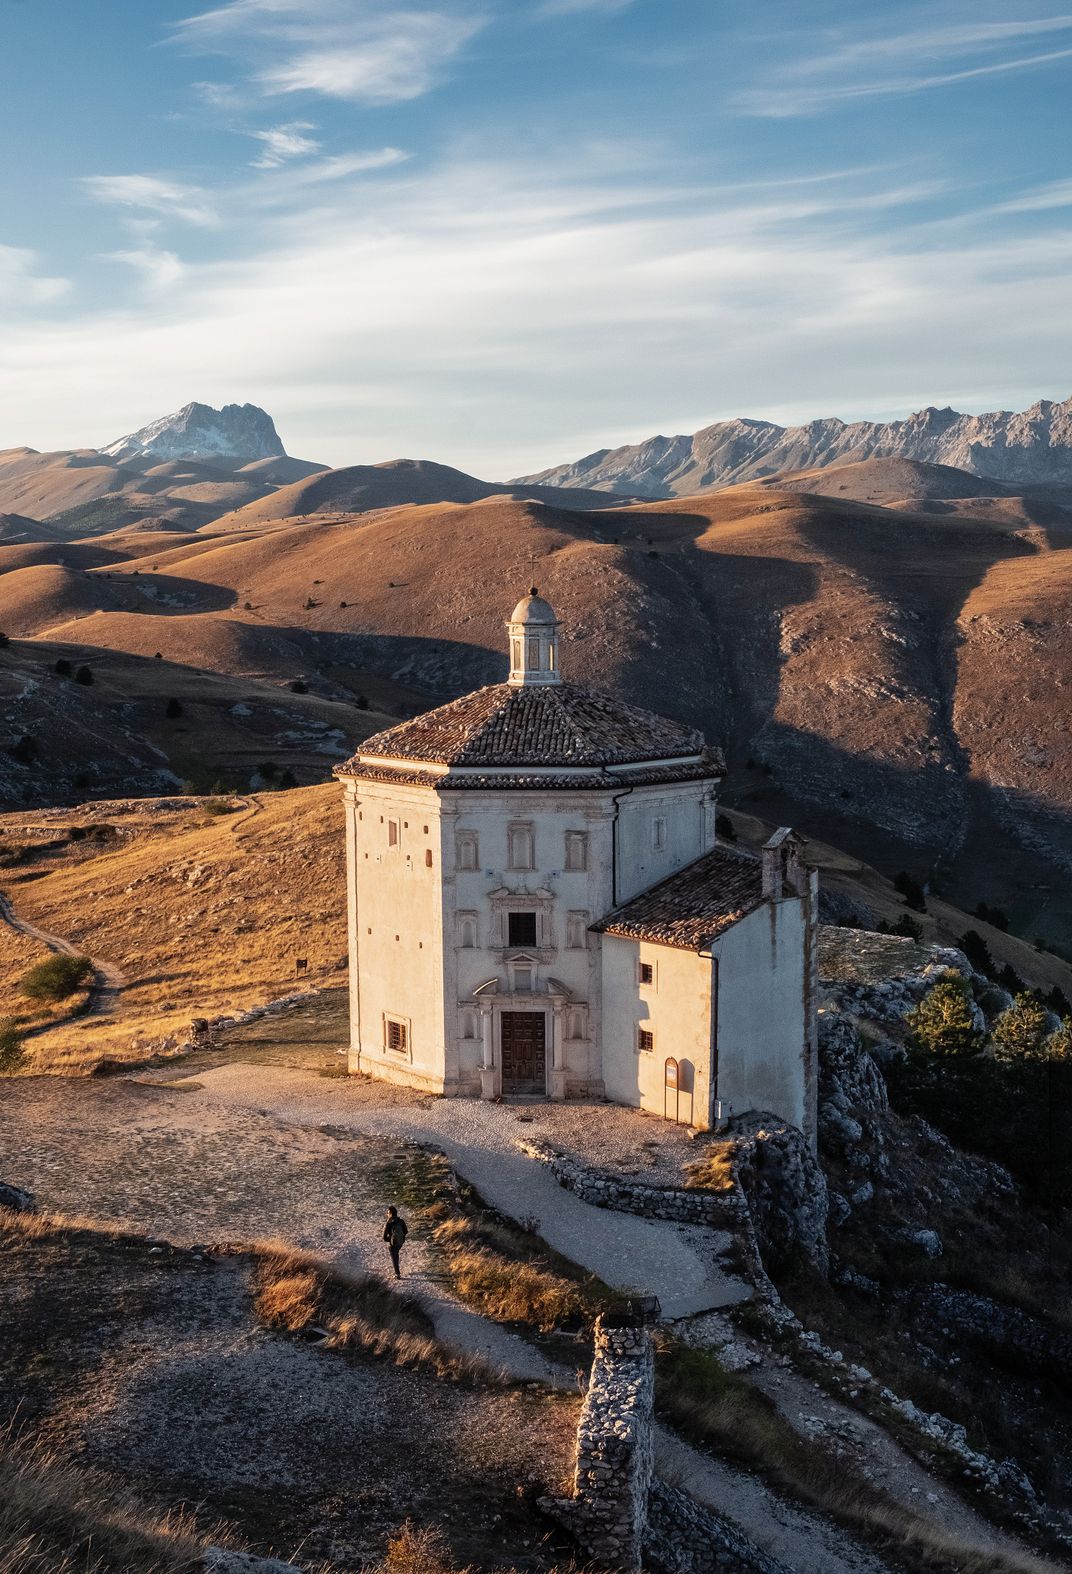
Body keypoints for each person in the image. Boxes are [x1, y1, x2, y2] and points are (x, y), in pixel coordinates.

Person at [383, 1204, 408, 1279]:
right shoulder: (401, 1221)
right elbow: (406, 1231)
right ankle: (397, 1271)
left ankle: (397, 1273)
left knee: (394, 1257)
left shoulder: (389, 1223)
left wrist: (390, 1239)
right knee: (396, 1254)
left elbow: (384, 1237)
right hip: (400, 1242)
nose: (387, 1214)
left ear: (390, 1213)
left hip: (393, 1243)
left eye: (387, 1213)